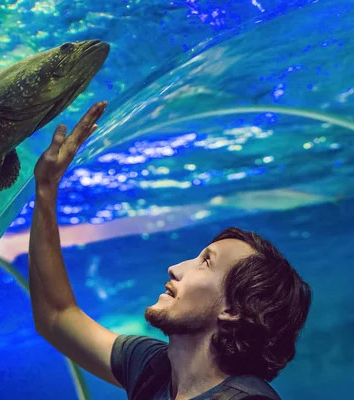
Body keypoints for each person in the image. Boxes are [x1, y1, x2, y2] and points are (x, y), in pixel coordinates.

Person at [29, 101, 312, 400]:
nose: (175, 267)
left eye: (205, 263)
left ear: (233, 310)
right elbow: (57, 316)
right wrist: (47, 189)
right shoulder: (156, 369)